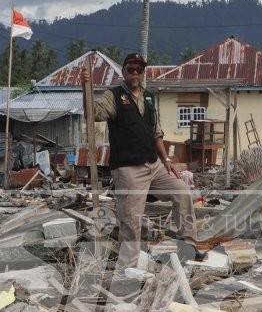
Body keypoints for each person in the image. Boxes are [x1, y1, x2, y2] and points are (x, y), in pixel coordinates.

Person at [85, 52, 198, 268]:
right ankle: (127, 267)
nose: (135, 73)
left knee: (182, 192)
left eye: (139, 70)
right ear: (123, 72)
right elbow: (94, 114)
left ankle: (189, 246)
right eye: (131, 69)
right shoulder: (114, 96)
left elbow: (156, 132)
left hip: (154, 165)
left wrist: (166, 159)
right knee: (131, 219)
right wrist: (86, 92)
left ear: (143, 73)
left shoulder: (148, 97)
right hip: (128, 169)